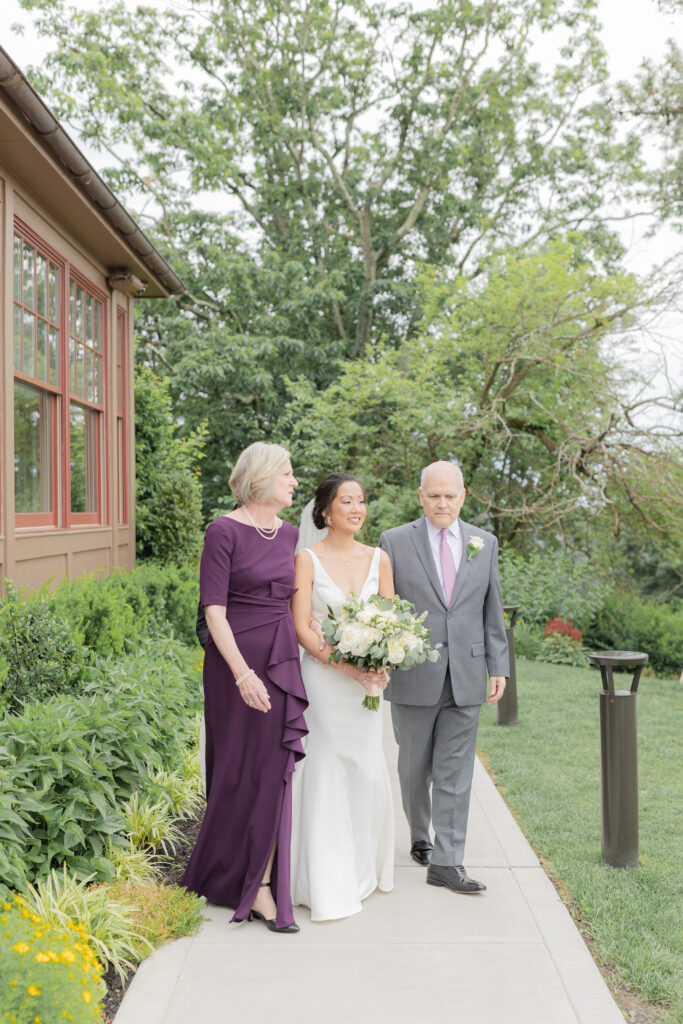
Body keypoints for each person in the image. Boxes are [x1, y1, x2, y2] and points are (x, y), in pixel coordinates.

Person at [181, 442, 308, 933]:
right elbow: (214, 610)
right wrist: (241, 674)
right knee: (236, 770)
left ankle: (263, 883)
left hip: (280, 660)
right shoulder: (222, 531)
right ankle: (231, 877)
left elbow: (294, 600)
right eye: (287, 475)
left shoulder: (290, 533)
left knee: (275, 769)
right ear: (260, 478)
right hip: (235, 668)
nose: (294, 482)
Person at [379, 461, 509, 894]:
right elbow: (386, 610)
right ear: (421, 496)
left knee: (456, 771)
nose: (442, 502)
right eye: (434, 495)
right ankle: (420, 834)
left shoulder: (484, 542)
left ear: (463, 496)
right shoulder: (394, 542)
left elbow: (492, 610)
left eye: (450, 495)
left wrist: (499, 666)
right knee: (415, 768)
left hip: (468, 673)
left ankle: (448, 861)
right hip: (414, 673)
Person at [290, 473, 395, 920]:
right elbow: (300, 628)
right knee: (328, 767)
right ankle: (326, 878)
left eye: (362, 501)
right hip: (327, 683)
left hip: (367, 688)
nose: (356, 508)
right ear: (325, 511)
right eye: (346, 501)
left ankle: (363, 868)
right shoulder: (307, 559)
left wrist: (385, 662)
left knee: (368, 770)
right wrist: (348, 666)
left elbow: (393, 620)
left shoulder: (379, 559)